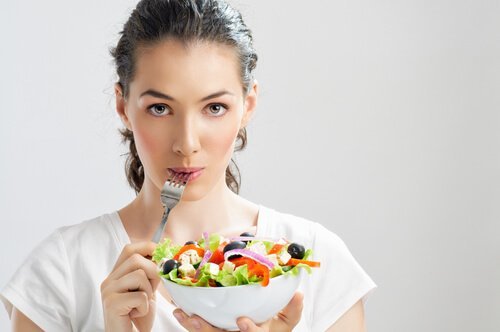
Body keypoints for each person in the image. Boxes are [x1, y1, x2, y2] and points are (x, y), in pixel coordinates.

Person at [1, 0, 376, 331]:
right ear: (123, 106)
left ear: (248, 105)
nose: (187, 144)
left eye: (214, 108)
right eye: (160, 108)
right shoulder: (60, 271)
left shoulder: (316, 262)